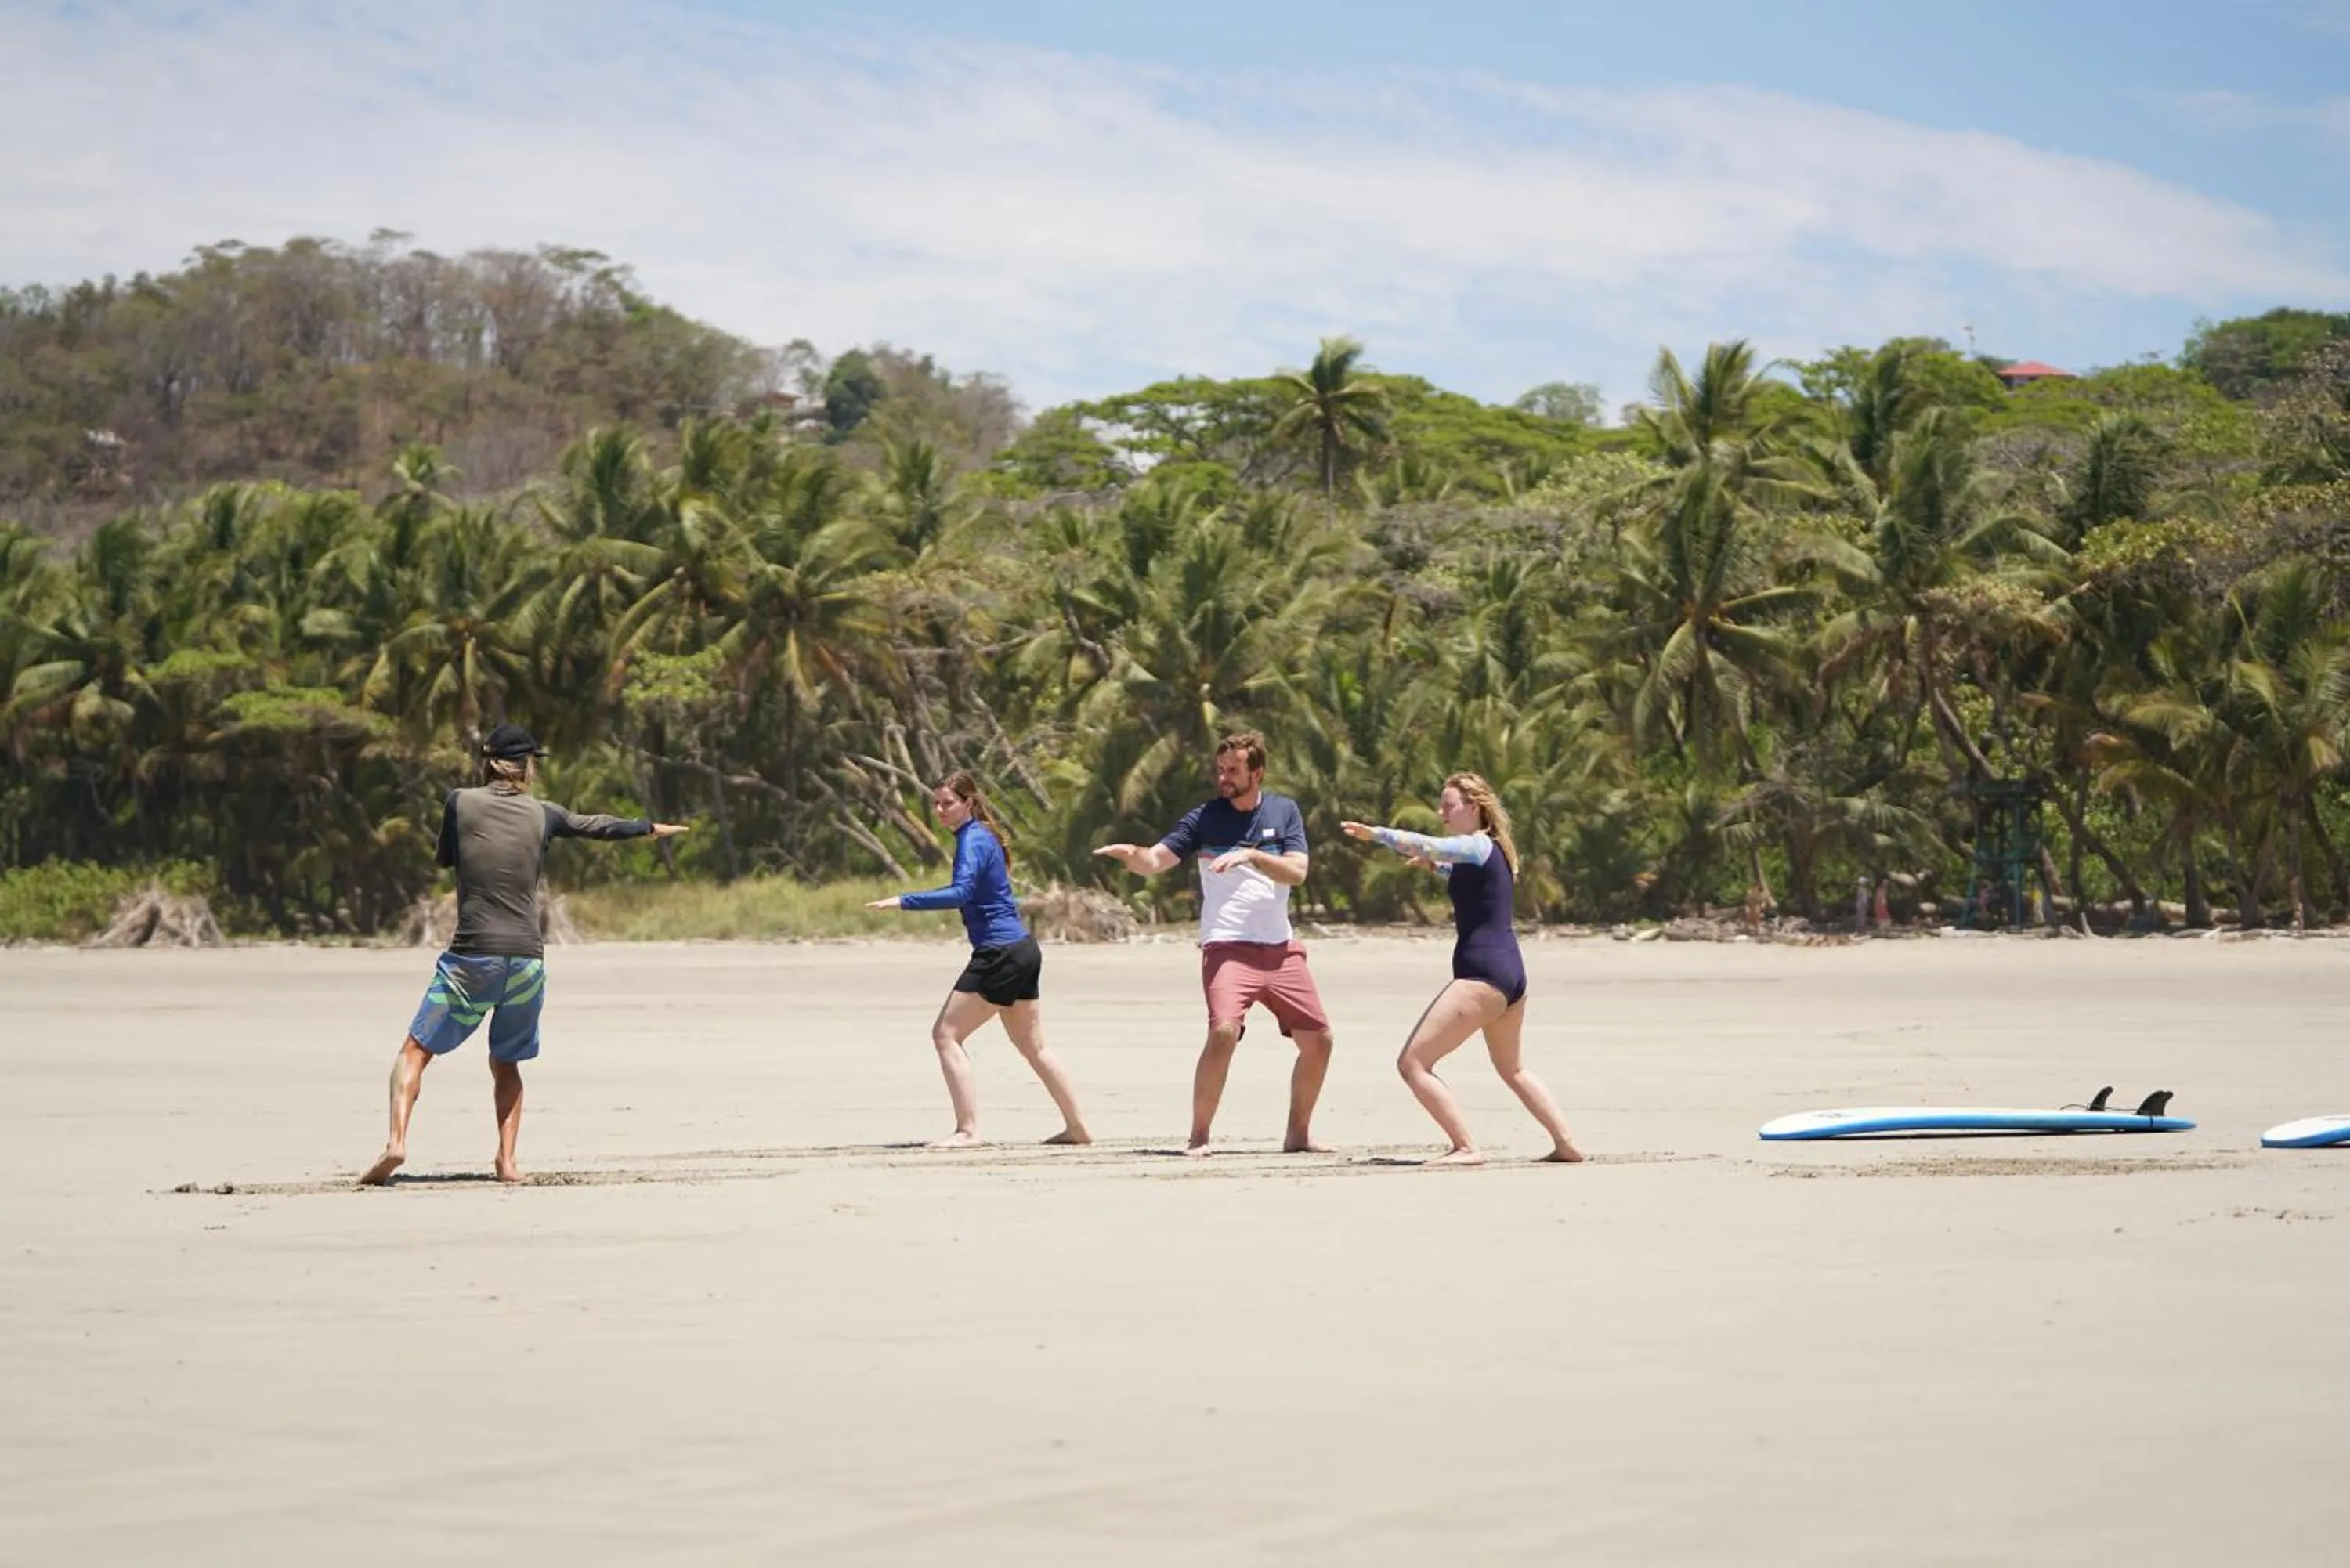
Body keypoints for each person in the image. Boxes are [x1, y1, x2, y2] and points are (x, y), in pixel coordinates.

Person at [359, 724, 687, 1186]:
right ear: (522, 766)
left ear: (488, 762)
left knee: (414, 1051)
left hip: (474, 958)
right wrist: (647, 828)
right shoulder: (544, 813)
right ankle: (507, 1163)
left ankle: (396, 1142)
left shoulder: (460, 802)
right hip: (528, 962)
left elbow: (445, 860)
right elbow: (596, 826)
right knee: (506, 1060)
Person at [1094, 731, 1332, 1156]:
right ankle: (1199, 1137)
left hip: (1280, 948)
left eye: (1234, 770)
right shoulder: (1205, 817)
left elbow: (1297, 873)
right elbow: (1155, 861)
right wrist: (1131, 853)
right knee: (1223, 1032)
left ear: (1256, 773)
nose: (1224, 777)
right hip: (1227, 947)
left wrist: (1253, 855)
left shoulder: (1284, 810)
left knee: (1320, 1040)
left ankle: (1298, 1134)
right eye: (1220, 769)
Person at [1341, 772, 1583, 1166]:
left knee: (1413, 1064)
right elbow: (1469, 880)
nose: (1441, 812)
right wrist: (1434, 869)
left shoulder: (1474, 843)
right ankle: (1566, 1143)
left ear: (1474, 808)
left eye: (1448, 804)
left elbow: (1433, 845)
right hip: (1511, 974)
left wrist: (1379, 834)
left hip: (1482, 974)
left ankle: (1466, 1147)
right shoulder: (1495, 850)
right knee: (1514, 1069)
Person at [866, 771, 1091, 1148]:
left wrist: (904, 900)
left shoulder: (973, 840)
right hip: (1022, 949)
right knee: (1034, 1047)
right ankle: (1078, 1127)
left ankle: (967, 1130)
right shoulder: (983, 837)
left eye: (947, 803)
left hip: (1000, 953)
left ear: (969, 803)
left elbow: (961, 893)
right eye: (936, 803)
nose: (939, 810)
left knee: (946, 1034)